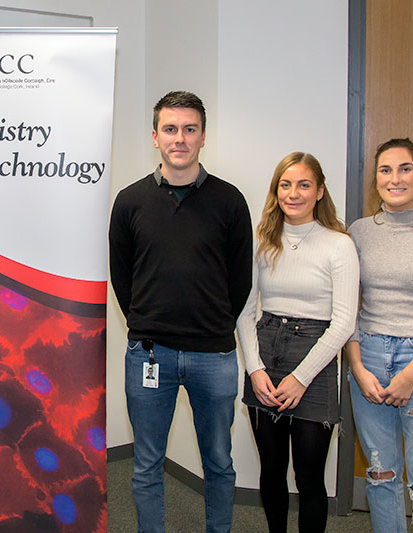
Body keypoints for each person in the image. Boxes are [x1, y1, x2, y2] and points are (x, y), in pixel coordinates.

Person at [109, 91, 253, 533]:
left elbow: (240, 280)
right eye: (170, 129)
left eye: (190, 129)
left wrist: (211, 323)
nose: (180, 138)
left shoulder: (230, 201)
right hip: (150, 355)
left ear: (203, 137)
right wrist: (148, 319)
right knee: (146, 465)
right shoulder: (130, 202)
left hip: (214, 357)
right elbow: (122, 277)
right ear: (155, 137)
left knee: (219, 464)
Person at [236, 153, 359, 532]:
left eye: (304, 185)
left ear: (319, 191)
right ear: (277, 191)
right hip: (265, 358)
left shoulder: (339, 245)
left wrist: (301, 377)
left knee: (308, 478)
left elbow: (343, 323)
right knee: (271, 471)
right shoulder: (263, 240)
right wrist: (255, 370)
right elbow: (243, 311)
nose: (293, 193)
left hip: (316, 363)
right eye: (285, 185)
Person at [347, 138, 413, 532]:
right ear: (376, 178)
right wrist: (357, 367)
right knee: (381, 475)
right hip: (370, 359)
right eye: (386, 170)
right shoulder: (357, 233)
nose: (395, 178)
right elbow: (347, 308)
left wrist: (410, 373)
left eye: (405, 168)